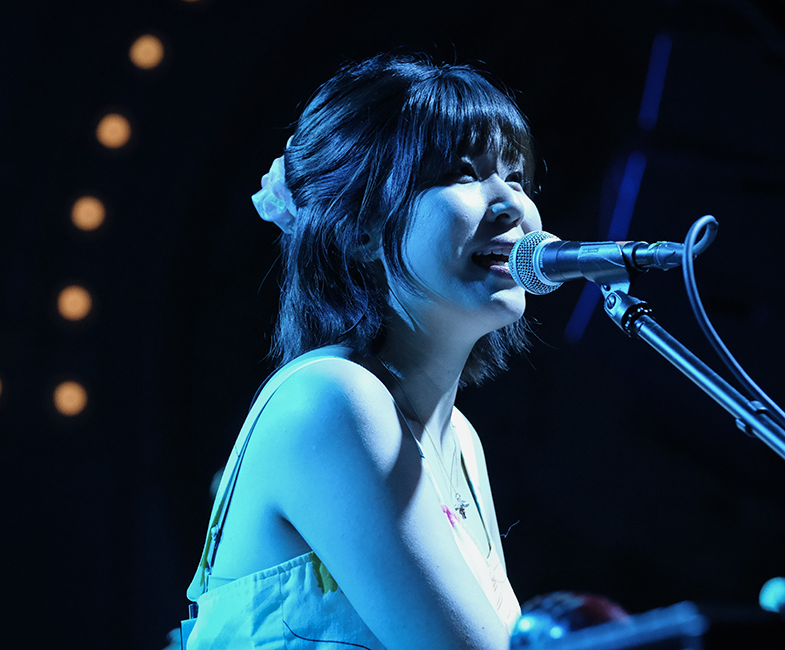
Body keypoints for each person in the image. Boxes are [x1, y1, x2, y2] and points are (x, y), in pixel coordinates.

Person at [183, 53, 543, 650]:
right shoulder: (331, 399)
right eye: (462, 173)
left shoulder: (462, 443)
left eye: (516, 177)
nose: (511, 205)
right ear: (360, 231)